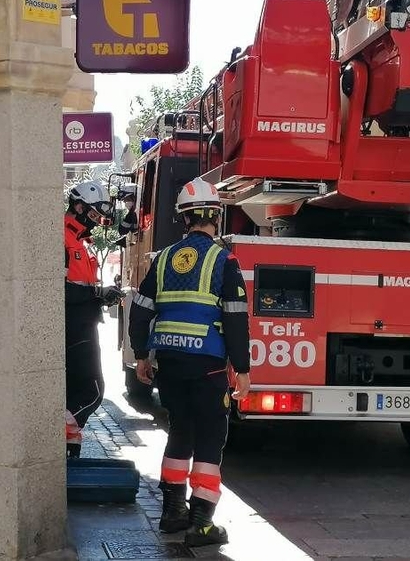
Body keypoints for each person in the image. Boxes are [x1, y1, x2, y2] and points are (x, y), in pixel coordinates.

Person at [128, 177, 251, 547]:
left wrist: (140, 356)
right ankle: (202, 523)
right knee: (211, 437)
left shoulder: (163, 259)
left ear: (183, 219)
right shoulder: (224, 260)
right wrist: (241, 369)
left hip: (169, 362)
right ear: (216, 215)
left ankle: (171, 512)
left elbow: (139, 311)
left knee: (180, 431)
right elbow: (234, 317)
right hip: (208, 364)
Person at [64, 179, 123, 458]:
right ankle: (55, 430)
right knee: (92, 391)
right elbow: (56, 289)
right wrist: (98, 295)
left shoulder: (79, 241)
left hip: (83, 323)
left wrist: (100, 295)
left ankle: (68, 452)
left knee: (74, 392)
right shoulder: (62, 237)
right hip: (74, 326)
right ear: (78, 207)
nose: (99, 220)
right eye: (94, 212)